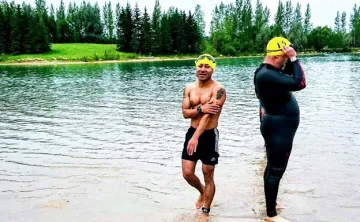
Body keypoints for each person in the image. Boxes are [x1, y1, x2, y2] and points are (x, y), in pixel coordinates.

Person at [253, 37, 306, 222]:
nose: (285, 62)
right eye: (283, 58)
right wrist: (294, 58)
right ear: (277, 57)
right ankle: (271, 215)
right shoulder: (266, 74)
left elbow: (291, 77)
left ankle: (271, 205)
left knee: (272, 168)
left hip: (279, 126)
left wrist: (290, 59)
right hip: (278, 128)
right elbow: (300, 83)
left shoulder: (269, 72)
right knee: (276, 170)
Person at [181, 54, 226, 214]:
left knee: (208, 174)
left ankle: (206, 211)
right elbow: (185, 113)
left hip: (208, 135)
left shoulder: (218, 90)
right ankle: (202, 191)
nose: (203, 69)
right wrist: (200, 108)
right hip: (192, 132)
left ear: (213, 69)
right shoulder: (189, 88)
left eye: (207, 66)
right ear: (196, 67)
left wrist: (195, 138)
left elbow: (209, 116)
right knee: (187, 173)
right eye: (200, 66)